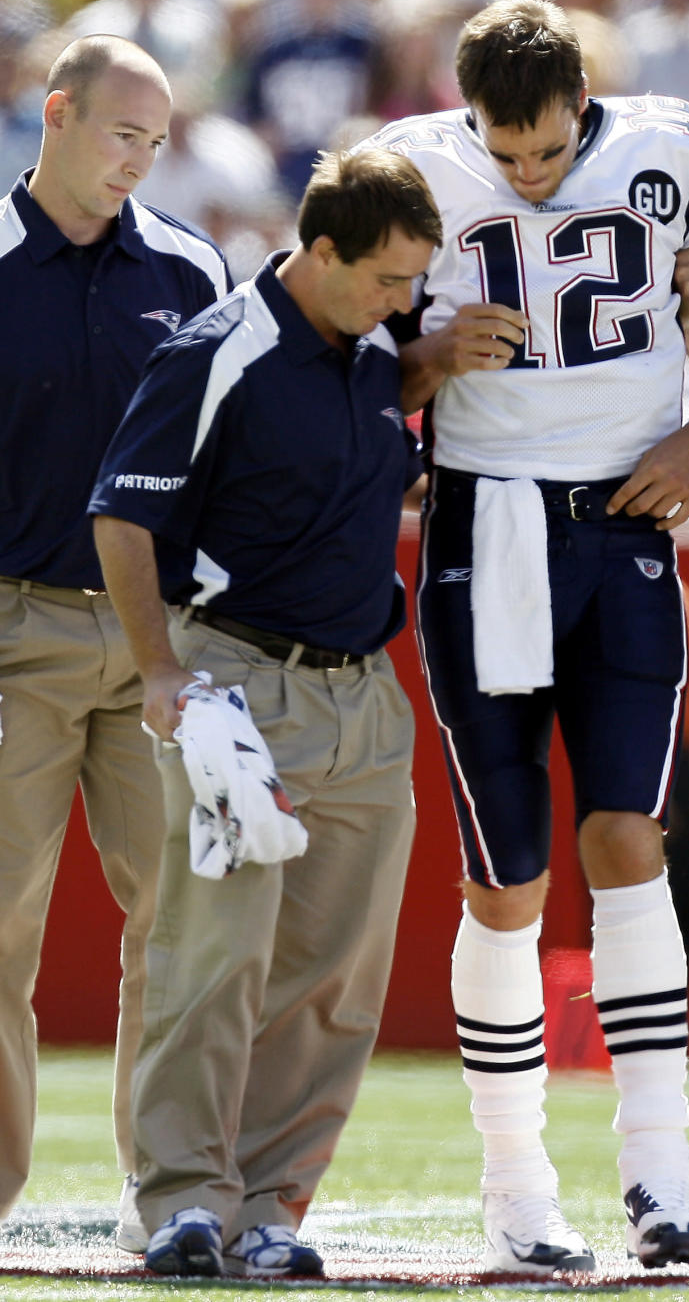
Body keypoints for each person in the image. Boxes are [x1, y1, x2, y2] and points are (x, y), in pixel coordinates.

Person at [361, 0, 689, 1273]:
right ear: (466, 110)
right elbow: (342, 351)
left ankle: (661, 1170)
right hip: (484, 526)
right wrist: (424, 357)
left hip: (630, 519)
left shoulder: (683, 148)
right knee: (509, 872)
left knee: (629, 839)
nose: (527, 171)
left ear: (583, 103)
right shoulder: (411, 168)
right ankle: (517, 1182)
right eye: (506, 149)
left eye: (546, 147)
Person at [89, 146, 442, 1279]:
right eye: (388, 278)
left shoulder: (378, 344)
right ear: (320, 251)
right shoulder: (216, 348)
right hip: (236, 685)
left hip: (365, 699)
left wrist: (420, 356)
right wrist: (156, 671)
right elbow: (123, 517)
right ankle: (185, 1200)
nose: (404, 301)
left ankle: (273, 1203)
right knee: (214, 957)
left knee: (334, 976)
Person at [0, 33, 228, 1246]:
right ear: (57, 114)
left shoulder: (193, 271)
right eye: (122, 133)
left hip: (163, 643)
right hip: (11, 629)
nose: (142, 160)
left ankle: (177, 1199)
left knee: (184, 925)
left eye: (158, 139)